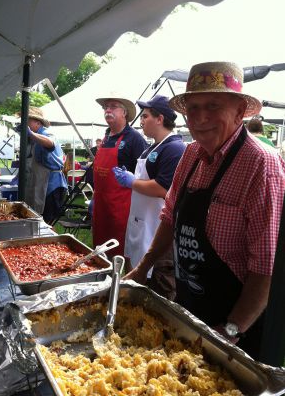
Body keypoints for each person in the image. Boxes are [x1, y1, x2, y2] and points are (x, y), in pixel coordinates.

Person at [124, 61, 285, 360]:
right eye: (193, 108)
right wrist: (143, 268)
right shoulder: (191, 155)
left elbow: (265, 267)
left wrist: (229, 332)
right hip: (190, 305)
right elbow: (170, 217)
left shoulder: (261, 165)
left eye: (213, 105)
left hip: (237, 325)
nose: (200, 118)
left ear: (239, 111)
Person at [113, 95, 186, 300]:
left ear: (160, 118)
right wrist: (130, 177)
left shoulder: (173, 148)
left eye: (145, 116)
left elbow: (163, 188)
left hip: (156, 227)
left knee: (157, 287)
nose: (141, 121)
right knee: (137, 277)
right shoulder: (151, 147)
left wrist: (131, 182)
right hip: (140, 223)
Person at [92, 96, 148, 257]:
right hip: (101, 203)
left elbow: (143, 174)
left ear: (124, 113)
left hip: (122, 205)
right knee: (101, 250)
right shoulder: (106, 136)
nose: (107, 110)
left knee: (120, 249)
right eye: (105, 107)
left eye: (113, 106)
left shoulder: (134, 138)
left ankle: (120, 278)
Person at [23, 107, 67, 224]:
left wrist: (31, 134)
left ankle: (52, 241)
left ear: (38, 122)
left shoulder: (46, 133)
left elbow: (50, 143)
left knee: (47, 222)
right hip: (40, 183)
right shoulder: (33, 138)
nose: (25, 124)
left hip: (52, 185)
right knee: (37, 219)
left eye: (28, 121)